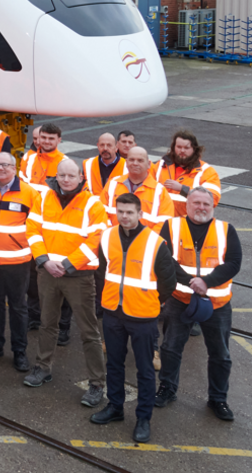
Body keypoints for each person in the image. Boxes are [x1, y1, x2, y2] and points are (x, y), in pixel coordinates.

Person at [90, 193, 179, 444]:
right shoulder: (107, 237)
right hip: (113, 313)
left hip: (143, 316)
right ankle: (115, 408)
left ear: (140, 213)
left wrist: (152, 302)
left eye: (129, 212)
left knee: (145, 370)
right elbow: (101, 270)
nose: (124, 216)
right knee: (114, 364)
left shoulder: (155, 242)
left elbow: (168, 283)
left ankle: (143, 418)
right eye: (120, 211)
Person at [22, 160, 108, 408]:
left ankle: (96, 384)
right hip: (48, 272)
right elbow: (32, 228)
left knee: (89, 331)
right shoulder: (45, 197)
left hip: (78, 277)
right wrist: (44, 260)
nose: (67, 179)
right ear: (56, 176)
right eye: (62, 175)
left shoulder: (92, 203)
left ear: (81, 177)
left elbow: (97, 239)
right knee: (48, 324)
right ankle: (42, 367)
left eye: (72, 175)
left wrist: (68, 264)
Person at [156, 188, 241, 421]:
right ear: (188, 204)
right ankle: (167, 389)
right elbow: (164, 259)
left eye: (206, 203)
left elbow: (234, 263)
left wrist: (207, 282)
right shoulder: (171, 226)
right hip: (180, 299)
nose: (201, 207)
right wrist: (193, 283)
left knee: (220, 354)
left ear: (213, 206)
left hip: (217, 303)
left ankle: (218, 399)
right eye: (196, 203)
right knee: (171, 348)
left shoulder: (226, 230)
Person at [0, 152, 43, 373]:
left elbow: (37, 228)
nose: (1, 168)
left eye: (6, 165)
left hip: (18, 262)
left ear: (14, 168)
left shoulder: (29, 194)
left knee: (18, 307)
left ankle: (20, 351)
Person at [100, 147, 175, 228]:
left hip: (146, 240)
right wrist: (112, 235)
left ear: (149, 164)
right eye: (132, 160)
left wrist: (144, 239)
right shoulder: (113, 184)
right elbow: (100, 213)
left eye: (140, 160)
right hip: (113, 238)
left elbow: (165, 224)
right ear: (126, 162)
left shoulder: (159, 191)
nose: (135, 163)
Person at [155, 130, 222, 217]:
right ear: (173, 147)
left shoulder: (207, 172)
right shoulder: (159, 166)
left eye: (186, 148)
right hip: (160, 223)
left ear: (194, 149)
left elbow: (212, 199)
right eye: (179, 147)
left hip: (188, 225)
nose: (182, 150)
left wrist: (182, 189)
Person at [21, 123, 65, 191]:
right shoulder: (29, 158)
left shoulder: (65, 162)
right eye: (43, 137)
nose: (47, 141)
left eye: (51, 138)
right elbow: (21, 182)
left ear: (59, 140)